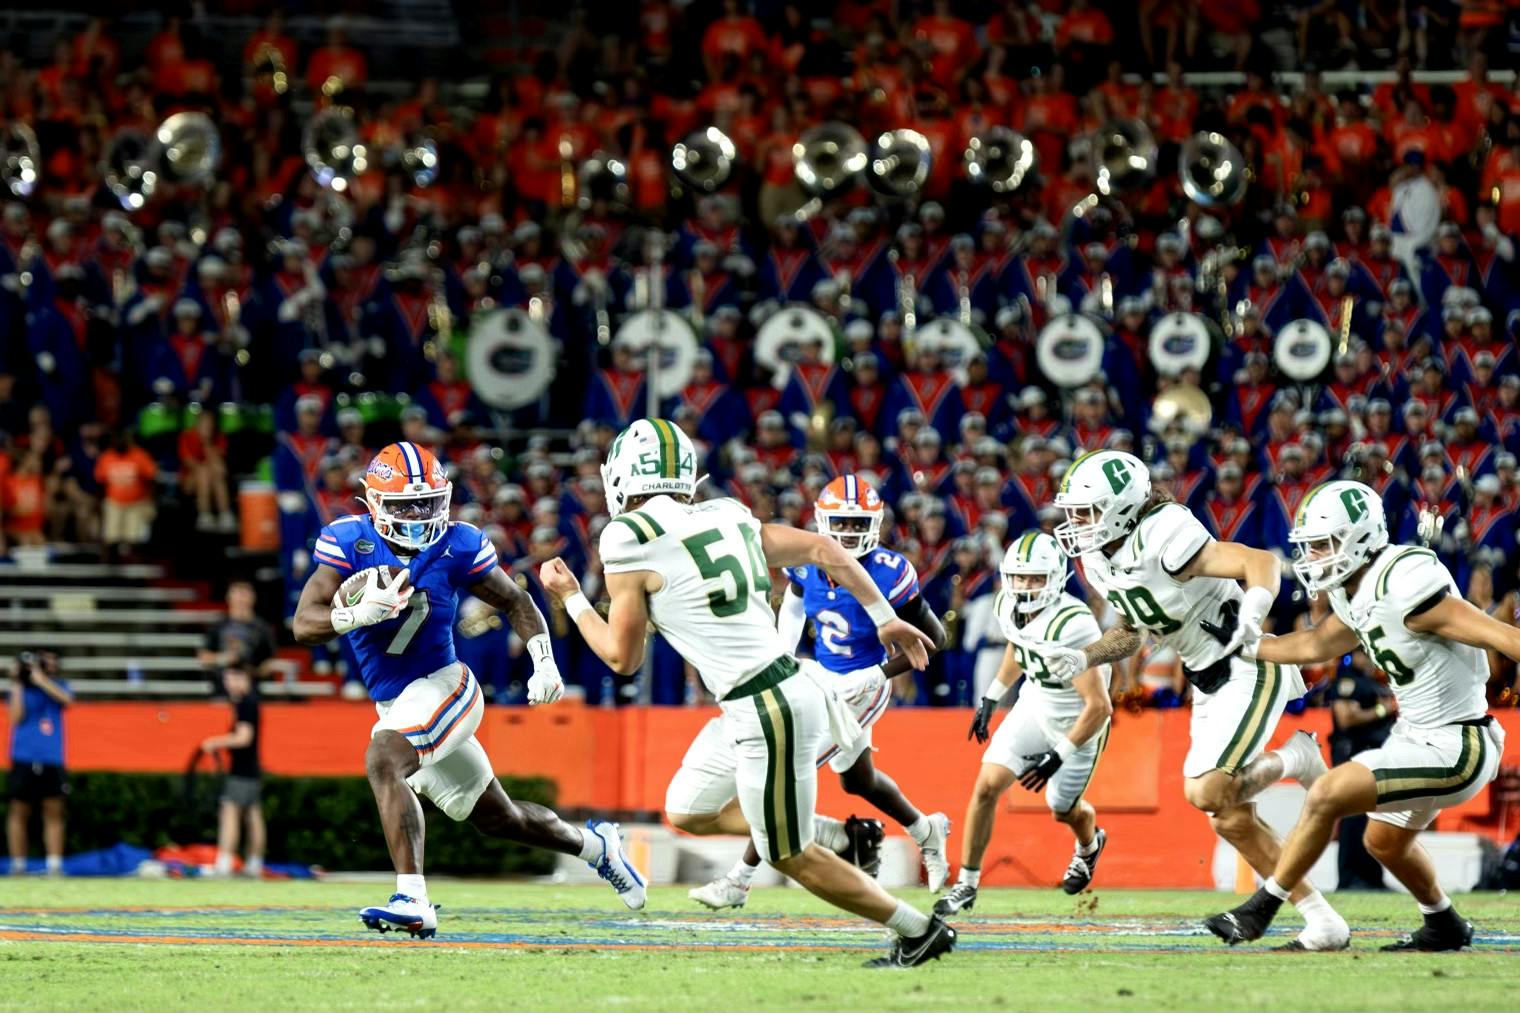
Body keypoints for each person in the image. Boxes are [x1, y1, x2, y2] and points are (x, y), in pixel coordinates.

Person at [539, 419, 954, 969]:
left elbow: (622, 657)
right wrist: (884, 618)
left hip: (766, 703)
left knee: (789, 855)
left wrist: (570, 597)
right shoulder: (726, 513)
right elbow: (826, 549)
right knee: (686, 807)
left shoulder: (628, 536)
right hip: (767, 696)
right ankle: (840, 837)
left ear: (621, 477)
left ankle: (918, 929)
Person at [292, 441, 645, 939]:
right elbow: (304, 623)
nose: (417, 516)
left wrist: (544, 661)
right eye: (405, 506)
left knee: (383, 757)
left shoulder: (458, 544)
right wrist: (351, 615)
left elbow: (515, 599)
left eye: (426, 503)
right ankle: (598, 848)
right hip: (397, 700)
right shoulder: (349, 541)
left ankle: (412, 898)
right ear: (373, 503)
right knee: (499, 818)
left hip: (446, 684)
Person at [1042, 450, 1349, 950]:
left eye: (1087, 511)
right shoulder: (1099, 556)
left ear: (1120, 507)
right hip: (1206, 678)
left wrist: (1253, 611)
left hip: (1247, 664)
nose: (1075, 523)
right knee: (1228, 815)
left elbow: (1260, 561)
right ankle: (1322, 920)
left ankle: (1298, 755)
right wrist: (1085, 657)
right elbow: (1134, 631)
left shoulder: (1164, 532)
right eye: (1073, 511)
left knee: (1205, 790)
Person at [1206, 481, 1510, 951]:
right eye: (1310, 546)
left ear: (1361, 539)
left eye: (1324, 544)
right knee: (1383, 842)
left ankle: (1261, 907)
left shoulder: (1406, 582)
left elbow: (1498, 634)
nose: (1314, 557)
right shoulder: (1357, 589)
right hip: (1418, 737)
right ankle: (1444, 923)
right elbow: (1316, 643)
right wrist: (1249, 647)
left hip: (1459, 744)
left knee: (1328, 792)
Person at [688, 474, 950, 910]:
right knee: (857, 780)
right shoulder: (807, 560)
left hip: (864, 685)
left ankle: (739, 880)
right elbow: (792, 601)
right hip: (821, 678)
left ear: (875, 523)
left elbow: (934, 637)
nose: (847, 532)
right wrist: (780, 654)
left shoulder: (890, 571)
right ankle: (927, 830)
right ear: (822, 521)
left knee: (780, 770)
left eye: (855, 522)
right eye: (840, 523)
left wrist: (879, 675)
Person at [937, 531, 1113, 915]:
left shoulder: (1072, 624)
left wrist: (1058, 754)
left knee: (1063, 809)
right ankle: (966, 884)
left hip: (1077, 720)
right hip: (1035, 701)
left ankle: (1089, 844)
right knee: (985, 787)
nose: (1025, 586)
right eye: (1019, 577)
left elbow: (1099, 707)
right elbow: (1020, 644)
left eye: (1035, 578)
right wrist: (992, 696)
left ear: (1055, 578)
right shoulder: (1006, 603)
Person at [1324, 652, 1397, 890]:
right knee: (1353, 818)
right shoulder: (1348, 681)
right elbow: (1345, 718)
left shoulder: (1374, 681)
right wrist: (1382, 711)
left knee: (1373, 817)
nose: (1369, 659)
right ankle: (1351, 877)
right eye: (1364, 654)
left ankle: (1372, 877)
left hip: (1375, 756)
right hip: (1354, 754)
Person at [7, 650, 70, 875]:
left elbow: (67, 700)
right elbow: (15, 718)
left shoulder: (60, 685)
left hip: (52, 757)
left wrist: (42, 680)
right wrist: (16, 682)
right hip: (23, 756)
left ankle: (54, 865)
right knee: (18, 811)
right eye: (45, 661)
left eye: (53, 660)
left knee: (53, 810)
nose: (49, 664)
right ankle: (18, 865)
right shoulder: (22, 689)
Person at [199, 665, 264, 877]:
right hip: (251, 768)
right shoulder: (251, 701)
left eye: (233, 678)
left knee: (230, 811)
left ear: (244, 678)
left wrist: (215, 742)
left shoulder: (245, 702)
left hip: (242, 769)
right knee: (252, 814)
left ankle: (224, 863)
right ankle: (254, 864)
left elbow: (244, 737)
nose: (229, 684)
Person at [198, 580, 277, 686]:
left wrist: (252, 672)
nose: (241, 599)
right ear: (229, 598)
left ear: (253, 598)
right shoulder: (218, 626)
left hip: (253, 682)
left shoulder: (262, 628)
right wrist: (225, 658)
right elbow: (204, 657)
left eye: (244, 595)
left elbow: (269, 661)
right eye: (237, 594)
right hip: (222, 680)